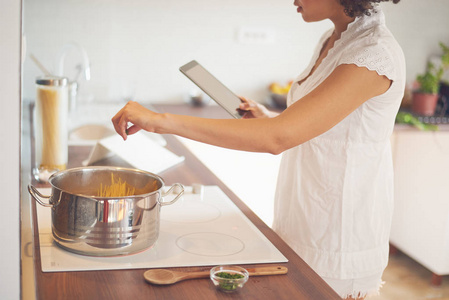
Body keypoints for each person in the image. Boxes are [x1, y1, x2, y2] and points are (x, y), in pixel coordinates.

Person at [112, 0, 404, 299]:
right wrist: (271, 119)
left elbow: (276, 139)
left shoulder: (373, 55)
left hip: (339, 238)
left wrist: (161, 121)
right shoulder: (333, 39)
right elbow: (324, 127)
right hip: (301, 218)